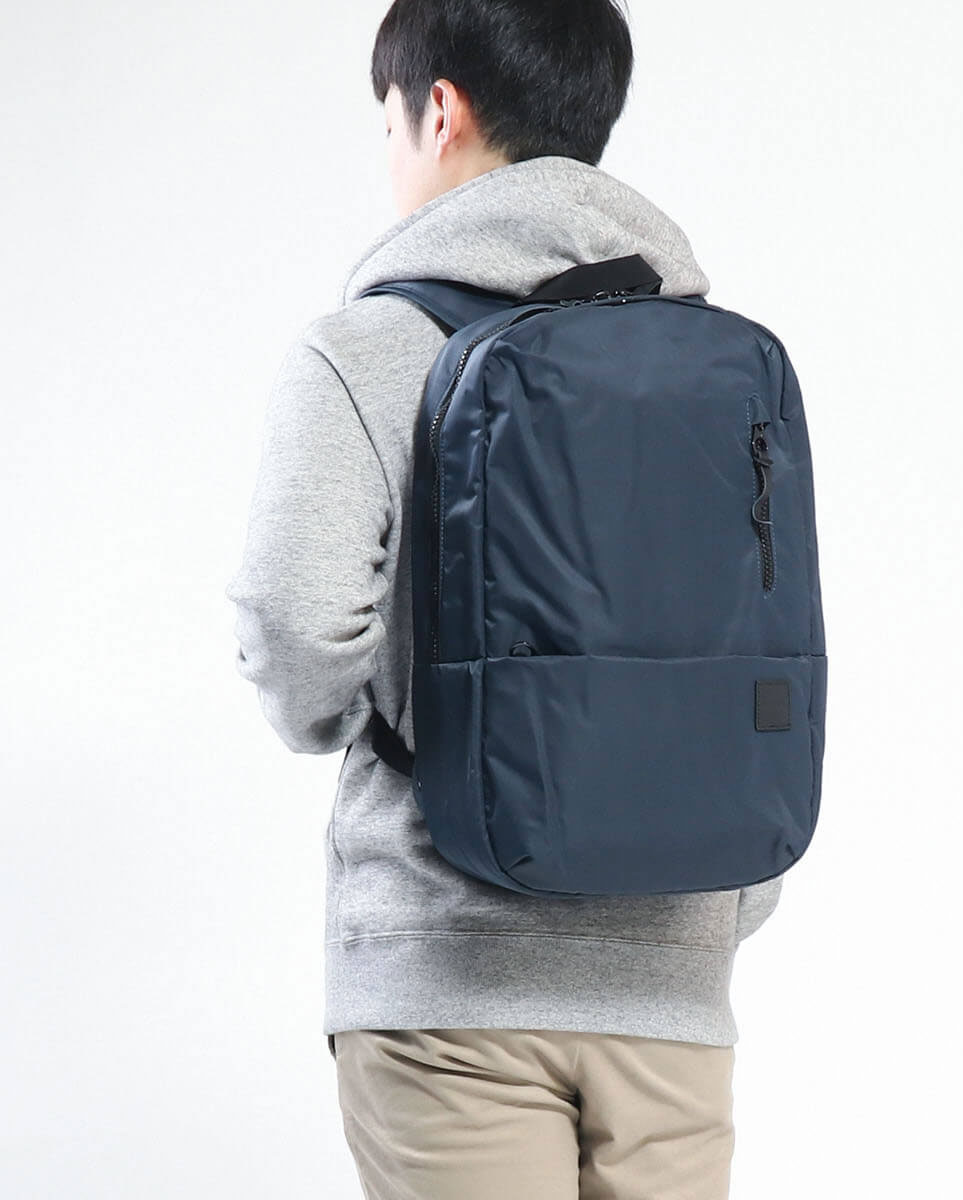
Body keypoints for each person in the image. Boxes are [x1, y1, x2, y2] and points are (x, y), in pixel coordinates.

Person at [224, 2, 784, 1196]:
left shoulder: (368, 350)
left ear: (440, 109)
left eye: (387, 124)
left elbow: (293, 626)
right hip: (674, 992)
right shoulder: (716, 362)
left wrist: (367, 720)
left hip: (449, 979)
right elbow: (754, 646)